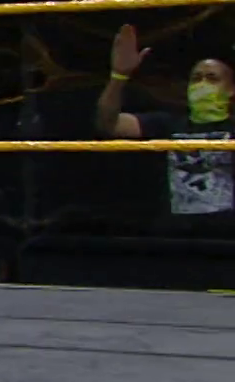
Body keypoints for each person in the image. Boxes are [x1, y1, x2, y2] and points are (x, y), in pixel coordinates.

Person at [94, 24, 235, 232]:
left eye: (212, 78)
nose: (202, 84)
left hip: (227, 234)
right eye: (196, 79)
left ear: (231, 89)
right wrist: (119, 76)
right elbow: (109, 124)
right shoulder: (168, 123)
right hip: (176, 234)